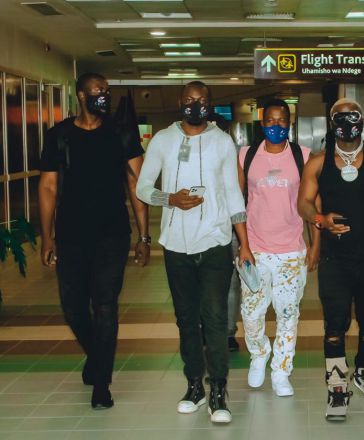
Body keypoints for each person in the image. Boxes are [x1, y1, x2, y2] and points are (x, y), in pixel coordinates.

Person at [136, 81, 253, 424]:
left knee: (215, 318)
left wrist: (244, 243)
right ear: (180, 102)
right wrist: (169, 199)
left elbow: (233, 193)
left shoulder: (222, 141)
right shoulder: (163, 140)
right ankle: (194, 386)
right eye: (189, 99)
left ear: (209, 104)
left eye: (201, 100)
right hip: (176, 245)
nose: (195, 105)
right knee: (186, 319)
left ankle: (218, 388)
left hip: (215, 242)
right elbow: (143, 188)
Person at [39, 72, 150, 410]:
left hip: (112, 234)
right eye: (98, 90)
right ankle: (98, 357)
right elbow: (48, 188)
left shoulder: (121, 133)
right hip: (71, 234)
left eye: (107, 90)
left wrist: (144, 236)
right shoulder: (59, 136)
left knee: (105, 304)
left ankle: (101, 383)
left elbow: (137, 185)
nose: (105, 95)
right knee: (72, 306)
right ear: (81, 96)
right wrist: (46, 238)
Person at [298, 98, 364, 421]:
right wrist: (320, 219)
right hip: (335, 259)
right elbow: (303, 202)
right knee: (335, 325)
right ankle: (336, 387)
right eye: (340, 117)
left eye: (353, 116)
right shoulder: (318, 162)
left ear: (363, 120)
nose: (347, 122)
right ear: (332, 123)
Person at [238, 98, 319, 397]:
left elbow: (314, 203)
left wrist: (316, 244)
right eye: (270, 121)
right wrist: (243, 245)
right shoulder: (246, 156)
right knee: (251, 313)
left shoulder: (304, 156)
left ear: (290, 122)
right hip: (255, 250)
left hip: (291, 251)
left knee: (288, 313)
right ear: (262, 123)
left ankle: (282, 370)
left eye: (282, 120)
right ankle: (259, 354)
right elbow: (237, 204)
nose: (276, 126)